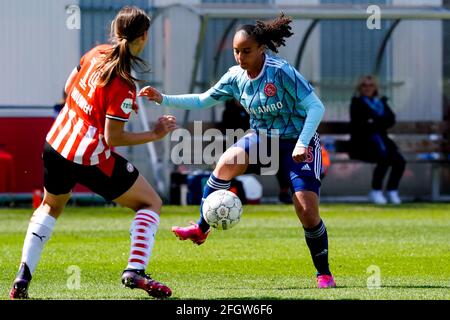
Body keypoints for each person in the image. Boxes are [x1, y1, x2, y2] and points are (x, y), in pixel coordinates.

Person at [139, 13, 336, 288]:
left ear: (261, 49)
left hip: (296, 141)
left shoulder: (281, 72)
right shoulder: (235, 77)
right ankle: (201, 228)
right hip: (262, 138)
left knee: (306, 211)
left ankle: (324, 273)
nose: (240, 57)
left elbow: (316, 107)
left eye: (246, 51)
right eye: (236, 51)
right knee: (226, 162)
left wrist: (303, 143)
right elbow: (202, 99)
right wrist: (164, 98)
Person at [10, 6, 176, 299]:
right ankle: (135, 269)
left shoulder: (95, 53)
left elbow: (67, 89)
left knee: (50, 207)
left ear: (115, 31)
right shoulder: (124, 83)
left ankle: (23, 276)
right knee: (150, 203)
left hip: (55, 144)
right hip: (89, 158)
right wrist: (156, 133)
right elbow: (113, 138)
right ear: (144, 37)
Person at [349, 75, 406, 205]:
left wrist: (375, 121)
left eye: (371, 85)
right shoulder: (356, 102)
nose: (367, 88)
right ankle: (376, 191)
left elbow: (391, 119)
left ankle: (392, 190)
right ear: (360, 88)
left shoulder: (381, 102)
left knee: (400, 161)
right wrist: (379, 122)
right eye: (364, 85)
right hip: (364, 143)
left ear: (375, 87)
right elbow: (361, 124)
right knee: (383, 158)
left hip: (383, 141)